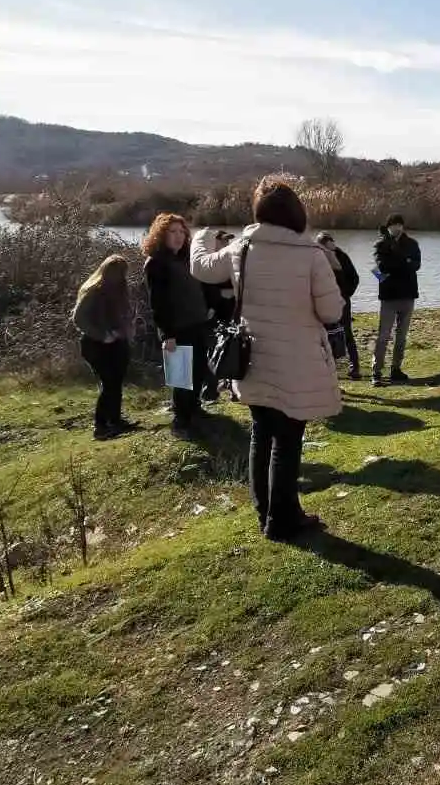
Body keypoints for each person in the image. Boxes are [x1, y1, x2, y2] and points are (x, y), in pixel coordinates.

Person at [191, 178, 345, 541]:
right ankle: (282, 520)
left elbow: (200, 267)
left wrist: (201, 235)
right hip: (297, 361)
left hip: (253, 357)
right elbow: (331, 310)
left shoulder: (241, 249)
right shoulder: (311, 255)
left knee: (262, 434)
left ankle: (267, 513)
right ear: (296, 212)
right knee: (288, 441)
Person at [142, 212, 213, 433]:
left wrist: (209, 307)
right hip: (176, 328)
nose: (178, 236)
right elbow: (158, 303)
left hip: (197, 324)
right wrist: (167, 335)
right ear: (161, 234)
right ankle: (181, 420)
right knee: (181, 377)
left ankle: (194, 408)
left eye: (182, 231)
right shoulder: (155, 263)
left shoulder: (187, 258)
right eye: (172, 232)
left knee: (199, 370)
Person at [71, 254, 137, 440]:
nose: (121, 276)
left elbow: (123, 314)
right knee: (108, 383)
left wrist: (127, 328)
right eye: (118, 272)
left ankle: (115, 421)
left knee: (116, 382)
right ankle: (100, 426)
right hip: (96, 345)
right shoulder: (93, 291)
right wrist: (103, 335)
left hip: (118, 343)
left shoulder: (121, 290)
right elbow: (79, 319)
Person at [373, 214, 421, 386]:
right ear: (388, 227)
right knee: (383, 336)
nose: (396, 228)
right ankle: (376, 371)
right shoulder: (380, 244)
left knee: (401, 336)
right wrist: (403, 262)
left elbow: (416, 266)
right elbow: (382, 267)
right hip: (388, 297)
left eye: (399, 224)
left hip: (408, 295)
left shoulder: (412, 244)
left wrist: (399, 262)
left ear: (403, 226)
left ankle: (396, 369)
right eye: (393, 225)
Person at [316, 231, 362, 380]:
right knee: (325, 334)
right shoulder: (317, 258)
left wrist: (345, 294)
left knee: (347, 333)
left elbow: (354, 278)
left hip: (341, 300)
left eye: (329, 243)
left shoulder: (342, 256)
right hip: (325, 301)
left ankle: (354, 367)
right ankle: (329, 368)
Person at [199, 228, 238, 401]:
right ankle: (210, 389)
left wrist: (229, 293)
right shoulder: (206, 262)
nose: (226, 244)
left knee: (234, 350)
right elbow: (205, 288)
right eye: (222, 240)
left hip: (232, 313)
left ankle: (232, 388)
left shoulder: (231, 259)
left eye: (227, 241)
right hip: (212, 315)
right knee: (213, 351)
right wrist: (218, 298)